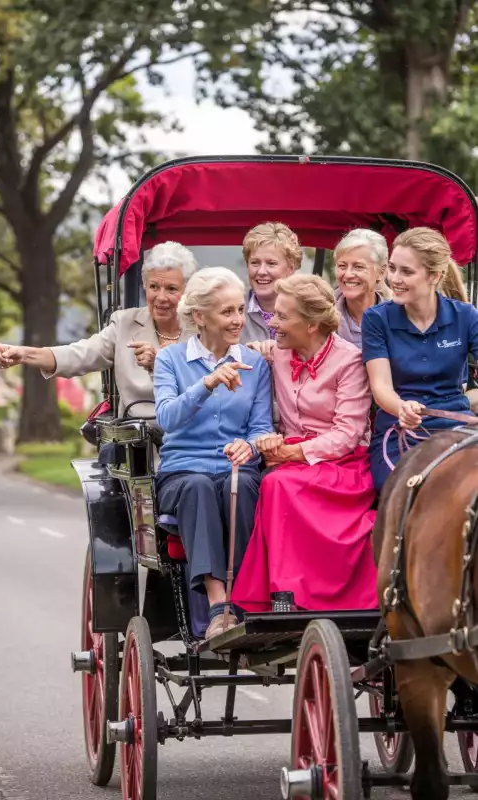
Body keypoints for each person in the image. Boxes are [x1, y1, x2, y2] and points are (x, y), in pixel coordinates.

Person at [232, 273, 377, 613]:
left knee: (279, 483)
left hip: (342, 462)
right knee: (271, 481)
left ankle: (292, 595)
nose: (273, 323)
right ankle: (282, 592)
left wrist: (294, 452)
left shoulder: (350, 361)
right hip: (292, 457)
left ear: (311, 325)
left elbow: (347, 434)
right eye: (274, 314)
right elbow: (229, 352)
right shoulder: (276, 351)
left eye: (282, 316)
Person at [153, 267, 273, 639]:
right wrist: (206, 383)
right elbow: (167, 417)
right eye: (227, 312)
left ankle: (244, 600)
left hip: (234, 468)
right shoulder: (170, 360)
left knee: (245, 485)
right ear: (200, 317)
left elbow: (261, 428)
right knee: (199, 487)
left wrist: (249, 445)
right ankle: (218, 603)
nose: (238, 320)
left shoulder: (256, 366)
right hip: (182, 472)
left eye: (240, 310)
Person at [0, 241, 197, 417]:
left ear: (187, 291)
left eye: (171, 289)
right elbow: (80, 354)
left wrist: (160, 363)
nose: (160, 297)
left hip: (192, 437)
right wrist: (23, 354)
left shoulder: (202, 330)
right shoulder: (124, 323)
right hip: (140, 439)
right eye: (154, 287)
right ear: (144, 286)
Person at [362, 227, 478, 493]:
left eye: (407, 271)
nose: (395, 279)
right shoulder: (376, 319)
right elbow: (381, 387)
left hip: (457, 425)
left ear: (434, 276)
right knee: (408, 490)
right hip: (398, 428)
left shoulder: (466, 316)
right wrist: (401, 407)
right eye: (392, 268)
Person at [241, 222, 302, 344]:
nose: (261, 271)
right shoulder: (233, 311)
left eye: (271, 263)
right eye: (255, 263)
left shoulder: (307, 311)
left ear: (290, 268)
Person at [334, 228, 390, 349]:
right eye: (342, 266)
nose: (348, 274)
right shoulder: (319, 317)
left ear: (381, 272)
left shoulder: (398, 319)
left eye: (358, 267)